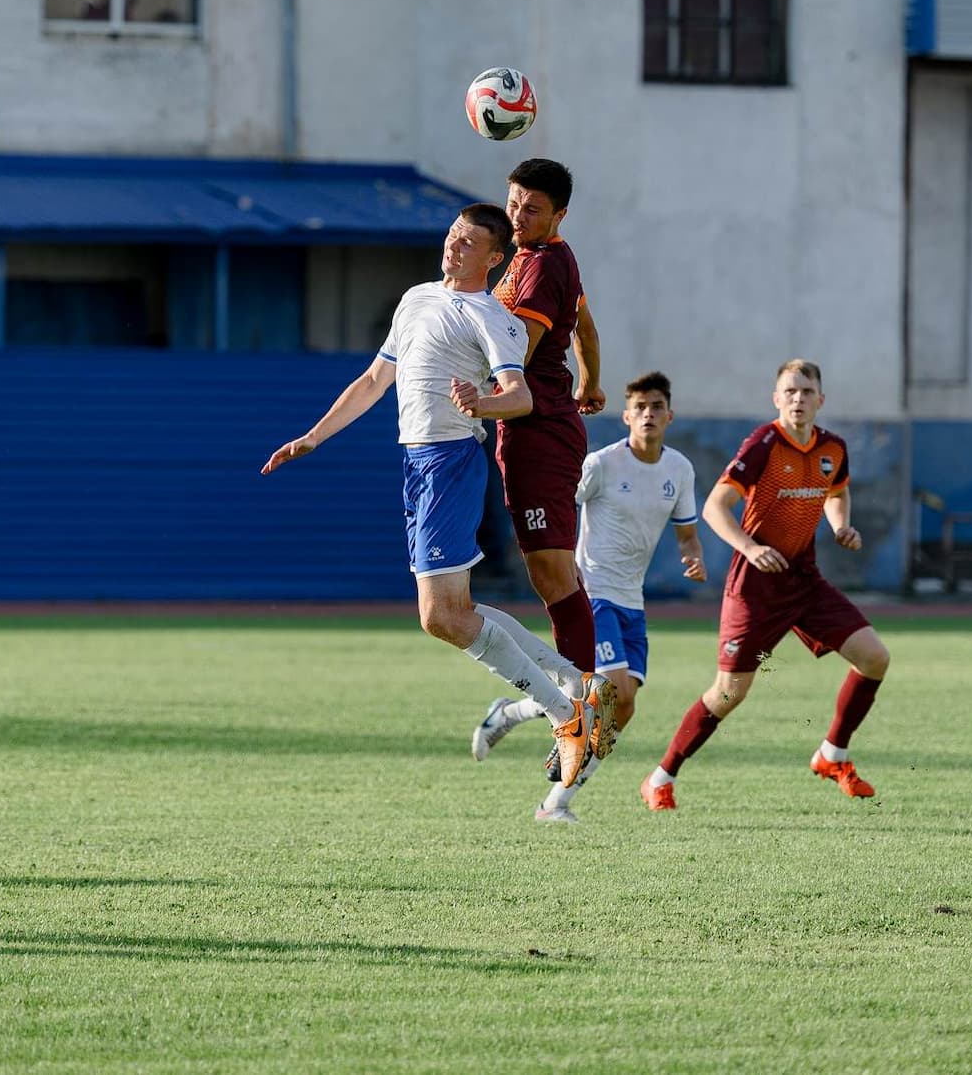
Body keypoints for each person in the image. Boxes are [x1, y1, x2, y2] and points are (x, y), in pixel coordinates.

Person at [262, 205, 608, 786]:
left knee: (440, 615)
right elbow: (375, 379)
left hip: (450, 460)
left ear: (495, 259)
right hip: (416, 463)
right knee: (450, 615)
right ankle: (576, 683)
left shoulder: (492, 316)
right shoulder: (416, 297)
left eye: (469, 242)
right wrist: (314, 437)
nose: (453, 246)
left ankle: (564, 712)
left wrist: (482, 404)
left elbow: (519, 397)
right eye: (452, 235)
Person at [641, 360, 892, 810]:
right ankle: (661, 776)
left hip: (803, 580)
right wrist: (750, 547)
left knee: (874, 657)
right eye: (789, 391)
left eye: (806, 391)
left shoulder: (832, 447)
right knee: (728, 693)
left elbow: (837, 491)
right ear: (776, 399)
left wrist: (840, 527)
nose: (798, 399)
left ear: (821, 399)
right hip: (754, 586)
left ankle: (832, 755)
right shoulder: (763, 445)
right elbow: (717, 506)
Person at [472, 372, 706, 822]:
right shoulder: (601, 463)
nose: (648, 415)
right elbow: (562, 503)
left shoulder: (679, 469)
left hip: (632, 602)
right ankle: (553, 800)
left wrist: (693, 558)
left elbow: (688, 534)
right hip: (593, 592)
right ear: (626, 416)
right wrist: (562, 560)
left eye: (657, 407)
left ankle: (529, 750)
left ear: (670, 415)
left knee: (624, 705)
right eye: (640, 407)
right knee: (607, 693)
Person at [490, 159, 615, 748]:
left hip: (537, 428)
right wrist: (590, 381)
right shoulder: (534, 254)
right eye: (514, 202)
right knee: (549, 574)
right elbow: (584, 323)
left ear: (560, 215)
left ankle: (581, 709)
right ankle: (579, 701)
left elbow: (514, 352)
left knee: (553, 573)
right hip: (536, 424)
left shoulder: (542, 267)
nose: (518, 214)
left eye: (532, 208)